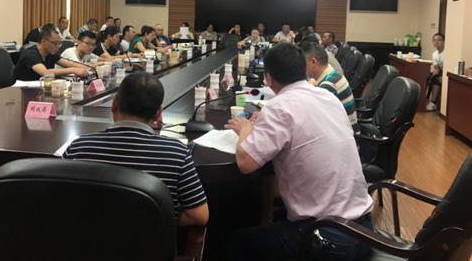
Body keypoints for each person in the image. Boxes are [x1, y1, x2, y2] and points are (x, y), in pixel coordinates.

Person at [225, 43, 373, 260]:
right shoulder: (328, 97)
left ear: (268, 78)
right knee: (279, 216)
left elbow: (246, 163)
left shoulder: (279, 107)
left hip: (330, 240)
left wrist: (245, 129)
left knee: (237, 243)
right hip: (365, 230)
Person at [63, 71, 209, 226]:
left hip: (88, 239)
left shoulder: (78, 147)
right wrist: (162, 216)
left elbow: (58, 202)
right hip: (150, 241)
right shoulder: (177, 153)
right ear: (158, 113)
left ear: (114, 103)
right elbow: (199, 216)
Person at [301, 41, 359, 133]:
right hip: (344, 130)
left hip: (346, 135)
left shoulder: (328, 86)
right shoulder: (332, 74)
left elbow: (314, 119)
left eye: (303, 64)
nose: (302, 68)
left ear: (313, 62)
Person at [14, 25, 92, 81]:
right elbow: (45, 72)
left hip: (40, 87)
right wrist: (73, 70)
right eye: (55, 43)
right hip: (21, 91)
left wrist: (88, 67)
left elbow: (70, 65)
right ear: (44, 41)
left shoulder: (51, 53)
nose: (58, 47)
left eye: (59, 44)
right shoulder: (31, 53)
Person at [426, 33, 445, 111]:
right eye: (434, 40)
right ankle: (426, 99)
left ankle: (433, 102)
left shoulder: (447, 52)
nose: (436, 42)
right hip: (441, 71)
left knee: (436, 78)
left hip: (447, 72)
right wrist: (431, 78)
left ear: (444, 42)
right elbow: (436, 69)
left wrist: (444, 77)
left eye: (439, 40)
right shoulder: (434, 54)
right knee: (428, 77)